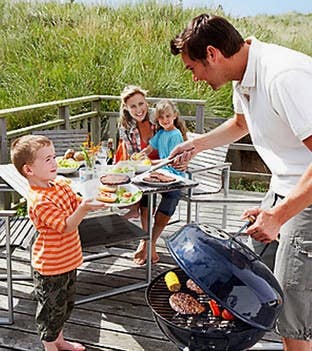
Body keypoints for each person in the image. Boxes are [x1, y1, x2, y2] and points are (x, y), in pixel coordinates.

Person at [169, 13, 312, 351]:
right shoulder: (243, 74)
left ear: (213, 54)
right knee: (257, 278)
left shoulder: (283, 76)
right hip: (283, 188)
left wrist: (279, 215)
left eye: (193, 68)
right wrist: (196, 144)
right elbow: (239, 124)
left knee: (293, 304)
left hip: (306, 197)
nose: (194, 79)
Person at [10, 135, 106, 351]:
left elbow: (76, 202)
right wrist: (84, 209)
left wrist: (94, 200)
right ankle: (50, 347)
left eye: (54, 156)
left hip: (68, 260)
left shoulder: (60, 185)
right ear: (28, 170)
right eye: (47, 159)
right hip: (51, 267)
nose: (55, 162)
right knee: (50, 314)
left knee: (64, 308)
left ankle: (60, 341)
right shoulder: (39, 201)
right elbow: (66, 226)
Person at [136, 99, 188, 265]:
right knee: (143, 193)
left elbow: (172, 160)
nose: (165, 120)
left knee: (172, 196)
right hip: (159, 172)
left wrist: (152, 163)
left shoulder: (175, 135)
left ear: (174, 116)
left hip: (174, 174)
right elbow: (150, 148)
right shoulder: (161, 134)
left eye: (167, 116)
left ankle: (151, 241)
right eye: (161, 118)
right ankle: (145, 240)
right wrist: (141, 155)